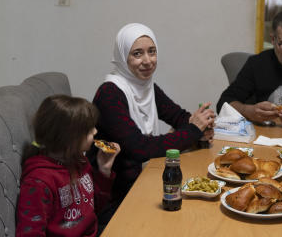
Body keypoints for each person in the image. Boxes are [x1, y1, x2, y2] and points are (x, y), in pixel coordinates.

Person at [15, 95, 120, 237]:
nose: (95, 133)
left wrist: (103, 171)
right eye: (89, 130)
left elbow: (92, 207)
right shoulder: (39, 181)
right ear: (68, 137)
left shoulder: (78, 161)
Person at [92, 23, 215, 205]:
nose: (148, 60)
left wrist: (201, 127)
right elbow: (139, 149)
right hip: (117, 193)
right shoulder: (109, 94)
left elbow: (178, 116)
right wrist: (193, 130)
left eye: (152, 51)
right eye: (137, 54)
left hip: (145, 176)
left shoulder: (146, 86)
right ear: (122, 57)